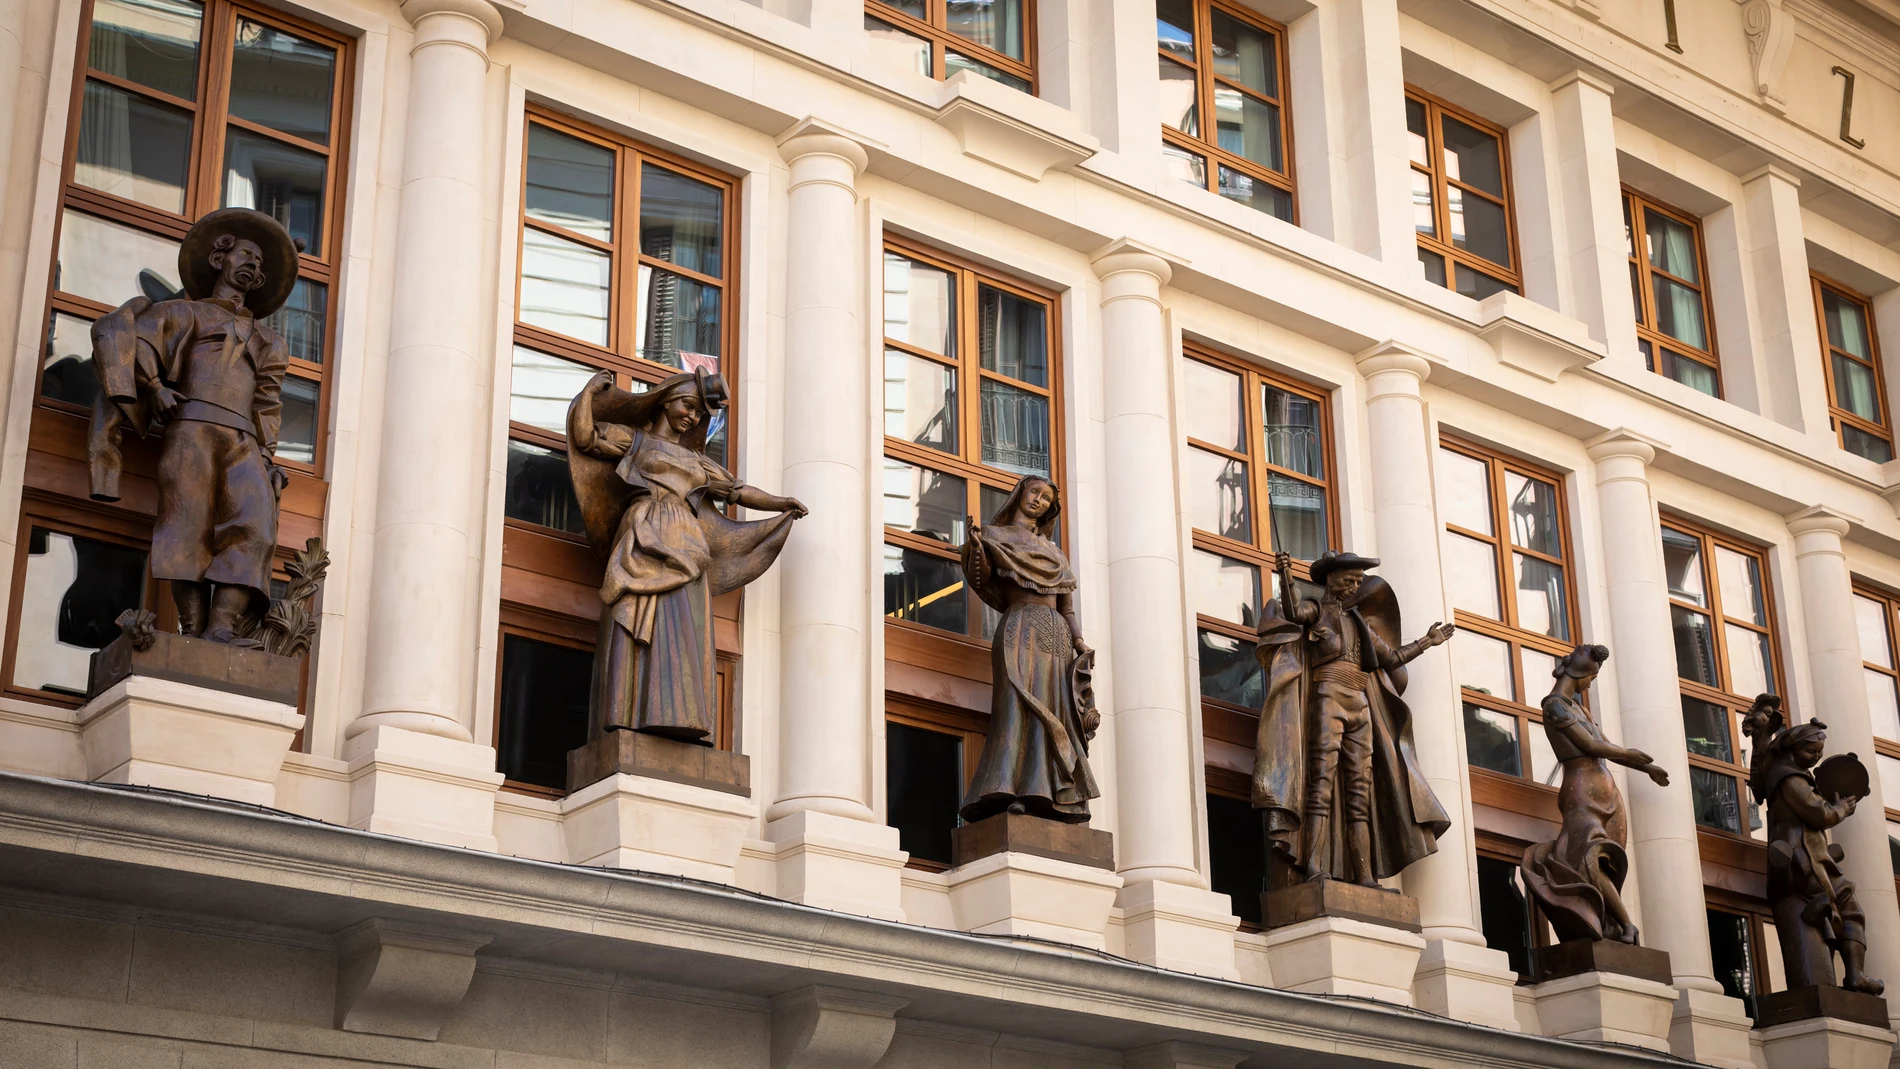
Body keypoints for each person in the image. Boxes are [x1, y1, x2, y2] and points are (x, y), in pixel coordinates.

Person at [88, 207, 297, 647]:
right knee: (188, 525)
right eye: (244, 254)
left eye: (259, 264)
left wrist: (266, 456)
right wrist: (154, 386)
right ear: (219, 259)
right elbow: (135, 341)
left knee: (256, 526)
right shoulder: (183, 313)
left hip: (243, 440)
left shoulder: (269, 342)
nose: (252, 265)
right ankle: (192, 633)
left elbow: (267, 402)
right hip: (192, 428)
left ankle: (221, 630)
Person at [567, 368, 805, 741]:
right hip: (644, 532)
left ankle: (677, 712)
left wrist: (781, 503)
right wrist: (590, 392)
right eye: (688, 406)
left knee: (682, 627)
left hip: (686, 542)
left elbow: (738, 492)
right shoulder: (635, 442)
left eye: (699, 414)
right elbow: (586, 438)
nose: (692, 417)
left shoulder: (697, 462)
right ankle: (629, 712)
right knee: (636, 617)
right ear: (665, 401)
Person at [1253, 550, 1452, 886]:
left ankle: (1364, 875)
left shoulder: (1359, 623)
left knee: (1359, 792)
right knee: (1321, 783)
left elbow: (1391, 658)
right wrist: (1286, 576)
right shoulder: (1316, 612)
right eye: (1351, 577)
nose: (1357, 582)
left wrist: (1426, 642)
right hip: (1328, 697)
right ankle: (1315, 866)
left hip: (1359, 705)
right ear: (1331, 578)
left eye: (1360, 578)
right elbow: (1292, 610)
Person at [958, 475, 1100, 824]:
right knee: (1018, 707)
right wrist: (976, 548)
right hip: (1018, 629)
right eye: (1034, 492)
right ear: (1020, 494)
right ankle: (1010, 790)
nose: (1038, 500)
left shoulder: (1055, 554)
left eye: (1046, 498)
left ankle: (1048, 795)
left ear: (1050, 508)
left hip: (1056, 638)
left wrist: (1079, 643)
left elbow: (1066, 608)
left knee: (1056, 713)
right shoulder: (996, 537)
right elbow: (982, 578)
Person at [1520, 644, 1669, 945]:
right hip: (1580, 793)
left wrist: (1648, 769)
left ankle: (1612, 927)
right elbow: (1591, 745)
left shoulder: (1579, 708)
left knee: (1609, 864)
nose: (1590, 684)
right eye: (1592, 678)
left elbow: (1605, 746)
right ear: (1580, 673)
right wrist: (1628, 752)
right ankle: (1627, 925)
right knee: (1591, 858)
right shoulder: (1555, 706)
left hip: (1608, 794)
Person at [1745, 703, 1884, 995]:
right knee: (1847, 902)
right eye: (1811, 752)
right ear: (1794, 748)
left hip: (1809, 853)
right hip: (1804, 855)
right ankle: (1854, 973)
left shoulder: (1791, 774)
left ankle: (1827, 921)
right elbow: (1819, 814)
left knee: (1843, 902)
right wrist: (1840, 809)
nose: (1815, 758)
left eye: (1819, 753)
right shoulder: (1790, 778)